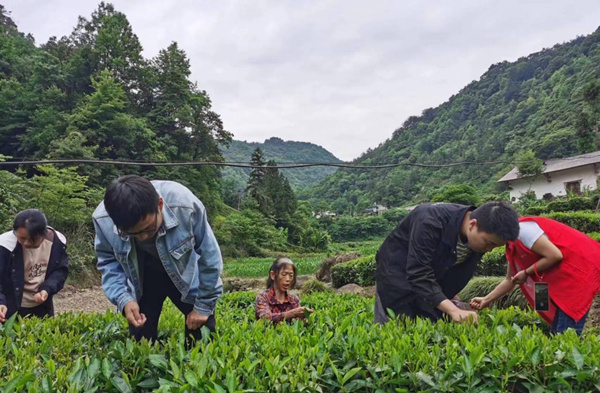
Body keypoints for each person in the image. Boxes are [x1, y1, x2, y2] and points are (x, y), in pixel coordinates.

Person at [93, 175, 223, 346]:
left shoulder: (185, 206)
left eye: (148, 228)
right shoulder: (103, 219)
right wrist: (124, 299)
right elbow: (108, 262)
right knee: (141, 338)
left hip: (184, 272)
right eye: (133, 233)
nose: (143, 237)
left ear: (159, 205)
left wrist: (204, 306)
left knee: (202, 335)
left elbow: (209, 256)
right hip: (141, 275)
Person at [374, 201, 520, 325]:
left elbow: (449, 264)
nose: (489, 250)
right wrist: (453, 310)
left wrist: (450, 296)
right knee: (395, 328)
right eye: (489, 243)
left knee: (430, 329)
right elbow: (418, 272)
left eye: (495, 246)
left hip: (428, 285)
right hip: (396, 277)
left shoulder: (479, 237)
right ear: (472, 224)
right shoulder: (430, 220)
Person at [470, 216, 600, 335]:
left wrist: (527, 272)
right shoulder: (511, 245)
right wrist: (486, 299)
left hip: (578, 273)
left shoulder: (524, 230)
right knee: (558, 331)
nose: (490, 247)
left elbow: (555, 255)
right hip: (563, 280)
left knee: (566, 334)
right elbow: (510, 280)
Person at [0, 209, 69, 322]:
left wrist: (47, 289)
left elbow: (60, 270)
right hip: (10, 308)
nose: (26, 243)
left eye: (32, 239)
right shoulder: (5, 247)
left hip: (42, 307)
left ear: (44, 234)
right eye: (22, 238)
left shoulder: (56, 242)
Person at [255, 258, 313, 323]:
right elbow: (265, 318)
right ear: (273, 275)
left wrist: (306, 318)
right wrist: (292, 313)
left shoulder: (294, 299)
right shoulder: (263, 297)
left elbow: (297, 323)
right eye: (284, 275)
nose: (288, 279)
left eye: (291, 275)